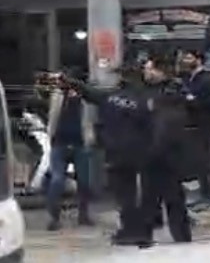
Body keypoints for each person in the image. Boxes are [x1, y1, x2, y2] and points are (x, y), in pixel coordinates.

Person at [60, 66, 154, 246]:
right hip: (141, 153)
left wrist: (69, 81)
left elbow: (88, 92)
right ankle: (141, 231)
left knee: (124, 194)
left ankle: (130, 231)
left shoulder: (111, 97)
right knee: (140, 194)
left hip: (116, 152)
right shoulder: (145, 99)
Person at [137, 57, 192, 246]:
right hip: (149, 152)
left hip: (169, 153)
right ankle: (145, 234)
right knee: (148, 197)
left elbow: (171, 123)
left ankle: (182, 235)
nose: (145, 73)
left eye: (148, 69)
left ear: (159, 71)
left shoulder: (173, 91)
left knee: (174, 197)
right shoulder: (144, 91)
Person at [45, 69, 95, 231]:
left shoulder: (86, 98)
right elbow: (52, 115)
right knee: (57, 180)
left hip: (80, 143)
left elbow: (89, 121)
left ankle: (84, 215)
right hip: (60, 142)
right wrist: (50, 135)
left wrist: (90, 139)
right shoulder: (58, 95)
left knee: (84, 181)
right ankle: (54, 217)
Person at [181, 50, 210, 210]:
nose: (186, 60)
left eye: (189, 57)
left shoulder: (206, 80)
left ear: (198, 60)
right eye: (185, 57)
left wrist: (193, 101)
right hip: (190, 125)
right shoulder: (188, 78)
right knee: (196, 162)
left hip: (203, 126)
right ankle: (200, 193)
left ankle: (208, 195)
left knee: (204, 162)